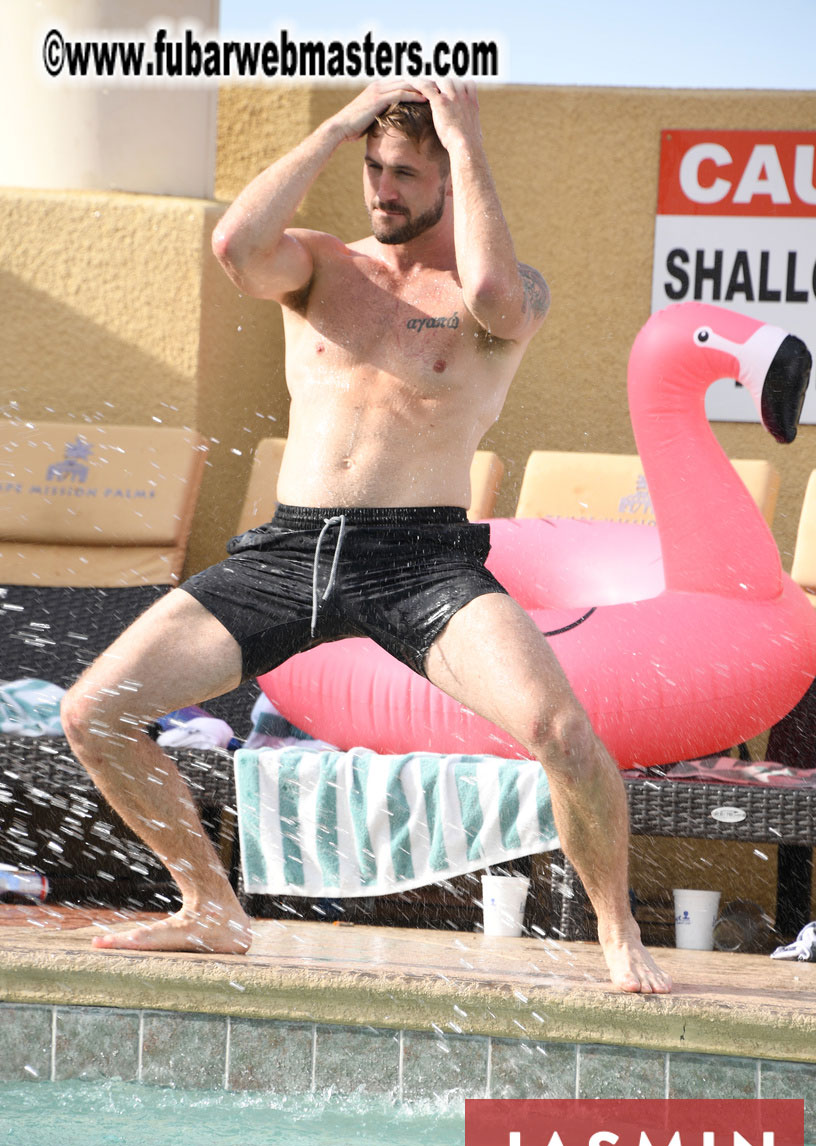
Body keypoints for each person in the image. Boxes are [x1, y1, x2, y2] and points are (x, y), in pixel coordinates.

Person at [61, 79, 671, 994]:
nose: (383, 190)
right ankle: (211, 908)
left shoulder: (494, 296)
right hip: (288, 553)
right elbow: (234, 243)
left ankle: (618, 932)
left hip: (423, 563)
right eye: (374, 170)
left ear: (448, 179)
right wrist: (341, 125)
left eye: (406, 174)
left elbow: (498, 295)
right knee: (92, 713)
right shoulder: (315, 267)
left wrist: (466, 139)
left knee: (562, 733)